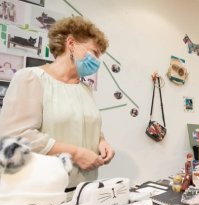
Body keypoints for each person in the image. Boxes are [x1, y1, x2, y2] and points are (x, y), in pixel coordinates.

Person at [0, 16, 115, 192]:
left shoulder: (84, 88)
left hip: (84, 189)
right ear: (71, 43)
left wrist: (101, 142)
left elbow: (84, 125)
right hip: (43, 193)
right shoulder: (30, 78)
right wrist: (76, 154)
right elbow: (17, 135)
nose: (97, 61)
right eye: (95, 52)